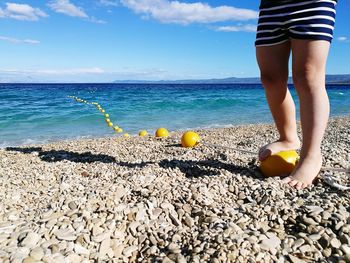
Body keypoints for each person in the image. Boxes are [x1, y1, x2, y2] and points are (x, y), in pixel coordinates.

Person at [255, 0, 337, 189]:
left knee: (308, 77)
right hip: (271, 6)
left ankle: (311, 155)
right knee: (271, 79)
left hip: (313, 2)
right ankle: (288, 138)